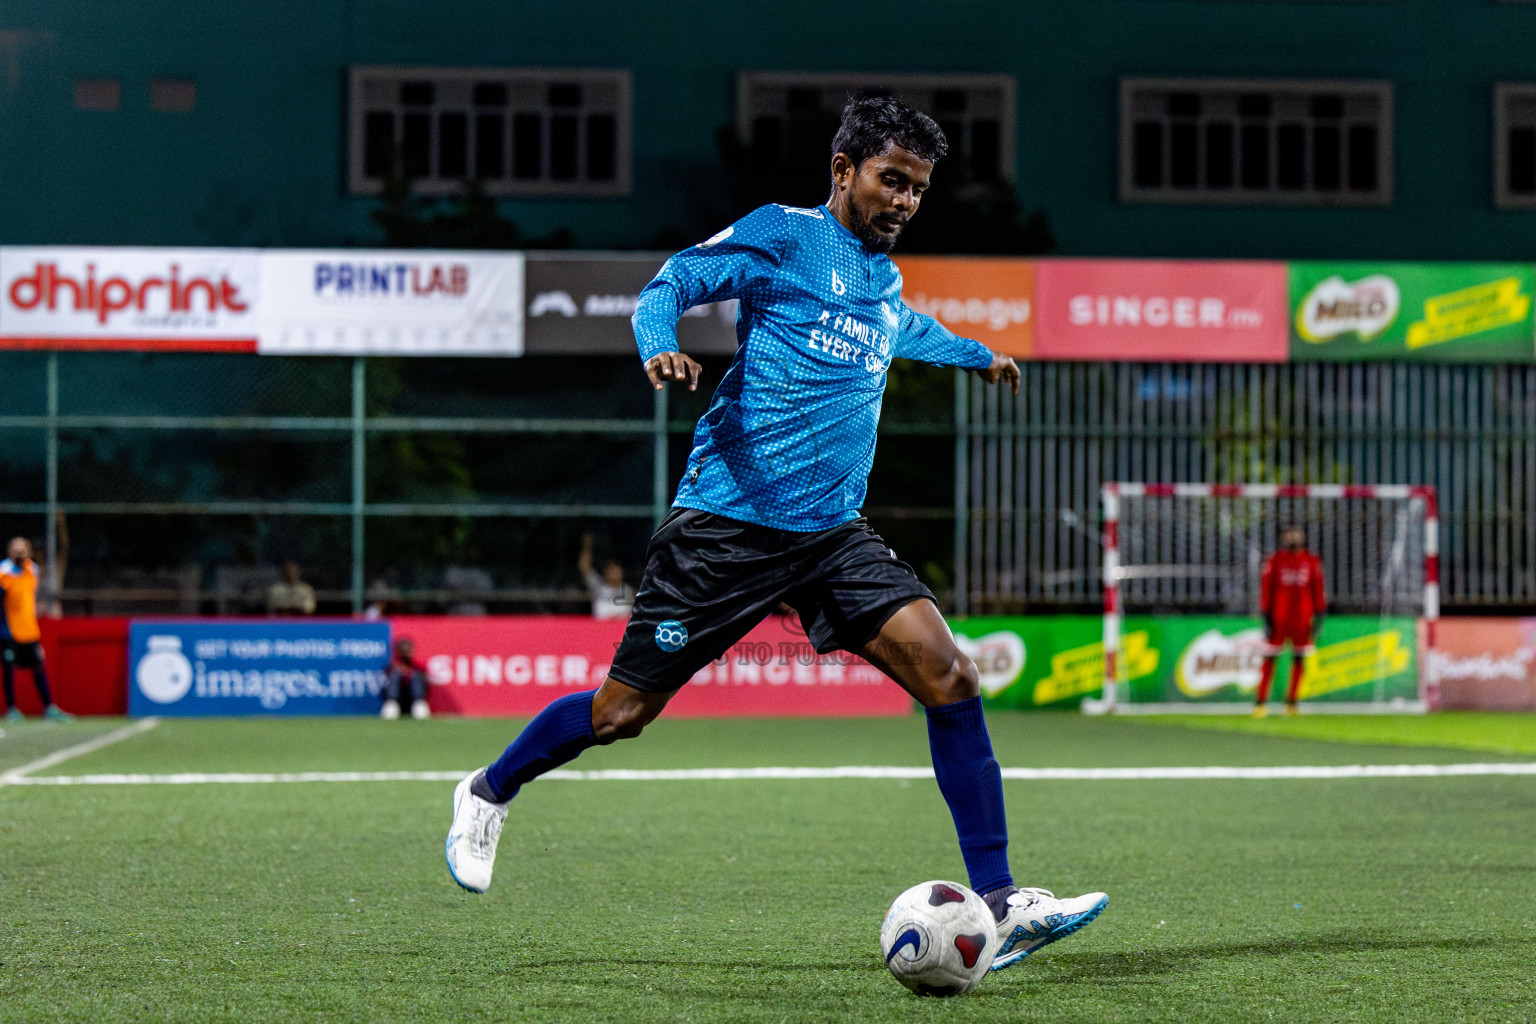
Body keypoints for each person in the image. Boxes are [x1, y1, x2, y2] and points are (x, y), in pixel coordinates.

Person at [444, 95, 1107, 972]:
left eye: (918, 188)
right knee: (620, 714)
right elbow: (674, 280)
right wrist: (657, 342)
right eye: (892, 181)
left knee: (949, 674)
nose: (906, 201)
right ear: (845, 172)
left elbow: (898, 329)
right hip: (726, 528)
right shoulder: (783, 235)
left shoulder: (882, 276)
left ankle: (1000, 901)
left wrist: (976, 354)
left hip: (832, 535)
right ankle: (489, 789)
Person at [1255, 524, 1327, 717]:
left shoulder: (1311, 561)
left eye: (1297, 533)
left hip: (1302, 618)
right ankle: (1261, 702)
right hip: (1279, 617)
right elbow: (1266, 588)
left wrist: (1320, 615)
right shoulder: (1275, 561)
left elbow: (1317, 589)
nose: (1293, 537)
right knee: (1270, 658)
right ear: (1283, 537)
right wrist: (1265, 615)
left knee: (1299, 659)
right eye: (1289, 534)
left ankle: (1292, 702)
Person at [0, 537, 72, 721]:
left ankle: (49, 707)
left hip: (29, 629)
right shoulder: (3, 571)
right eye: (16, 549)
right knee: (9, 669)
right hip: (9, 629)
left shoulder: (32, 569)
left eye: (23, 549)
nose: (20, 552)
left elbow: (32, 598)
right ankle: (11, 709)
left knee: (38, 666)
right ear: (9, 551)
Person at [578, 532, 633, 620]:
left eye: (616, 569)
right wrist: (586, 546)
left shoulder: (627, 590)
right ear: (606, 573)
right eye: (611, 570)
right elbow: (584, 568)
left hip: (620, 628)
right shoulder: (598, 586)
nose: (614, 573)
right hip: (601, 628)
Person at [380, 636, 430, 720]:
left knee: (416, 675)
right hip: (395, 702)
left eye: (408, 650)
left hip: (414, 702)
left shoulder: (418, 668)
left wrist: (410, 674)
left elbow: (426, 687)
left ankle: (419, 706)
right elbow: (384, 688)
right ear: (398, 651)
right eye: (403, 651)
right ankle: (391, 706)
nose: (406, 654)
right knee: (395, 674)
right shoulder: (391, 668)